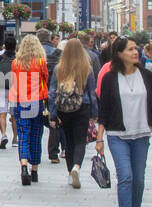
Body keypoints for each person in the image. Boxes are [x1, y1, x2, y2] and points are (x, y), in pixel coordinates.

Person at [96, 36, 152, 207]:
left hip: (142, 134)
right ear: (119, 54)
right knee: (125, 177)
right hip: (117, 134)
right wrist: (99, 139)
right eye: (130, 50)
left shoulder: (145, 75)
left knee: (139, 180)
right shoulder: (110, 78)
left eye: (136, 49)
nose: (135, 52)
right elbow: (104, 110)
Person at [47, 37, 98, 189]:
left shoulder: (59, 68)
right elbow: (92, 92)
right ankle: (77, 167)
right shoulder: (86, 68)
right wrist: (95, 113)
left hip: (64, 109)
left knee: (69, 141)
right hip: (83, 106)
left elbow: (52, 93)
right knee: (80, 141)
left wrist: (53, 113)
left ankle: (70, 172)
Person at [10, 34, 49, 185]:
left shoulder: (16, 63)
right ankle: (34, 171)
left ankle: (24, 167)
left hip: (21, 102)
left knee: (23, 135)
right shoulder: (41, 62)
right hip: (37, 101)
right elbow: (44, 80)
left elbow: (14, 82)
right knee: (36, 136)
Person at [39, 30, 63, 163]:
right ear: (49, 38)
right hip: (55, 90)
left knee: (36, 122)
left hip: (37, 91)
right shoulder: (58, 53)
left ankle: (33, 151)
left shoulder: (34, 54)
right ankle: (54, 153)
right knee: (55, 121)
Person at [0, 36, 18, 148]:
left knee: (2, 114)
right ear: (16, 47)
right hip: (15, 89)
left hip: (1, 88)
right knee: (14, 116)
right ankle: (15, 138)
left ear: (4, 46)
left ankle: (4, 135)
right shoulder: (19, 59)